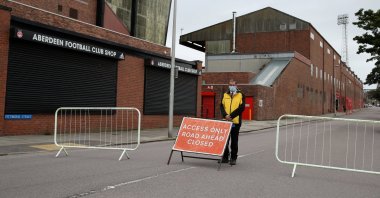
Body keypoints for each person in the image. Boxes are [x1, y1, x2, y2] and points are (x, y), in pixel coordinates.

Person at [220, 79, 245, 165]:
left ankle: (233, 158)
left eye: (233, 85)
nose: (232, 86)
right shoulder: (225, 94)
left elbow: (242, 108)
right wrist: (225, 115)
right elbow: (221, 106)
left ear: (236, 85)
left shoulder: (240, 95)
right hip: (225, 121)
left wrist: (231, 116)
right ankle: (225, 157)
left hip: (235, 122)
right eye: (230, 84)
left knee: (234, 141)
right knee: (225, 141)